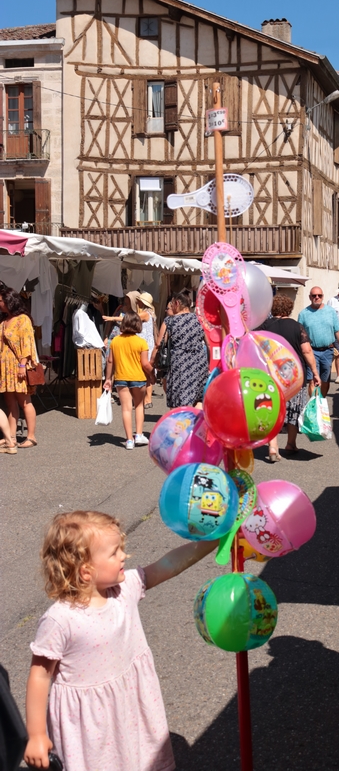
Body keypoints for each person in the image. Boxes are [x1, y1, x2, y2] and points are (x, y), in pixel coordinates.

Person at [24, 510, 217, 771]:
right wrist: (36, 736)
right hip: (91, 727)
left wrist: (214, 542)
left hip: (130, 706)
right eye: (114, 553)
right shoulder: (60, 620)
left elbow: (168, 565)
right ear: (86, 571)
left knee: (137, 758)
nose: (123, 556)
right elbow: (40, 676)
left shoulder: (123, 591)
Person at [262, 294, 320, 460]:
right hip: (294, 376)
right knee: (294, 407)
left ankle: (273, 446)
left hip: (270, 374)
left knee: (272, 409)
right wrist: (314, 372)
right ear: (289, 308)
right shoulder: (297, 327)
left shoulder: (264, 326)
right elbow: (307, 351)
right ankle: (291, 443)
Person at [104, 312, 154, 449]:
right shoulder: (141, 342)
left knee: (126, 409)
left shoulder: (115, 341)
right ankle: (138, 434)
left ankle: (129, 440)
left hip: (120, 377)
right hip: (138, 378)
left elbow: (110, 361)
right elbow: (145, 364)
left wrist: (108, 378)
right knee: (139, 405)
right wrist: (152, 374)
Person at [0, 287, 39, 449]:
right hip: (5, 367)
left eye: (1, 301)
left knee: (24, 401)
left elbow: (27, 343)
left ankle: (31, 436)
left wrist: (22, 364)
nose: (0, 304)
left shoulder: (23, 319)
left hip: (17, 366)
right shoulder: (3, 321)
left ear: (10, 301)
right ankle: (11, 437)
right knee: (10, 403)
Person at [160, 292, 208, 409]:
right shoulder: (200, 319)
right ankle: (197, 424)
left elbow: (159, 343)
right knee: (198, 397)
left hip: (179, 362)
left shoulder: (170, 321)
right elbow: (209, 344)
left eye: (171, 304)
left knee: (180, 397)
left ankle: (182, 424)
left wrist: (152, 361)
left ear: (177, 303)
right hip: (199, 361)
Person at [298, 286, 339, 398]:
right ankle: (314, 406)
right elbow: (299, 335)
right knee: (313, 380)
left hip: (328, 351)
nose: (317, 297)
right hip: (311, 351)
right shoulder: (303, 314)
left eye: (319, 295)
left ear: (323, 297)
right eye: (314, 295)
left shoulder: (330, 311)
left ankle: (321, 402)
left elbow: (338, 331)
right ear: (310, 297)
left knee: (325, 380)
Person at [136, 292, 157, 409]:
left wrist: (113, 317)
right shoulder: (150, 313)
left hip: (144, 345)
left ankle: (146, 398)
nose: (137, 302)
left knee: (145, 372)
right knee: (147, 371)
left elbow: (130, 319)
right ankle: (147, 399)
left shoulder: (144, 313)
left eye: (139, 300)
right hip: (148, 344)